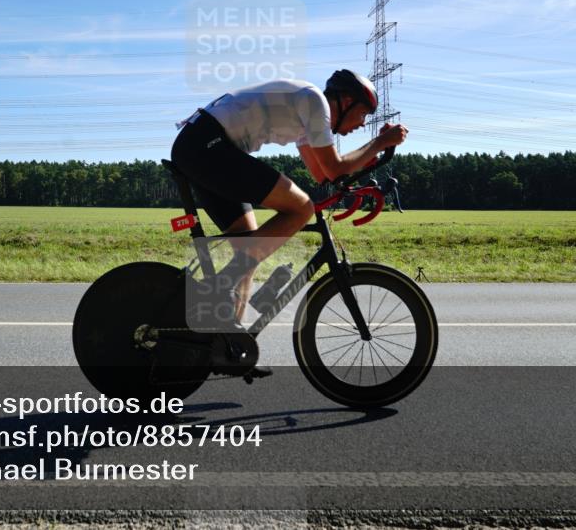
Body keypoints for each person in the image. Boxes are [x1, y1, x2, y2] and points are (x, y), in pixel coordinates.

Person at [170, 70, 409, 375]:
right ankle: (220, 288)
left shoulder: (310, 117)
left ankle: (230, 349)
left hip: (203, 145)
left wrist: (360, 178)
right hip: (207, 145)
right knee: (301, 208)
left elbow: (323, 175)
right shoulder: (315, 102)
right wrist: (379, 143)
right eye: (362, 114)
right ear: (346, 101)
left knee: (250, 246)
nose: (362, 124)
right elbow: (334, 169)